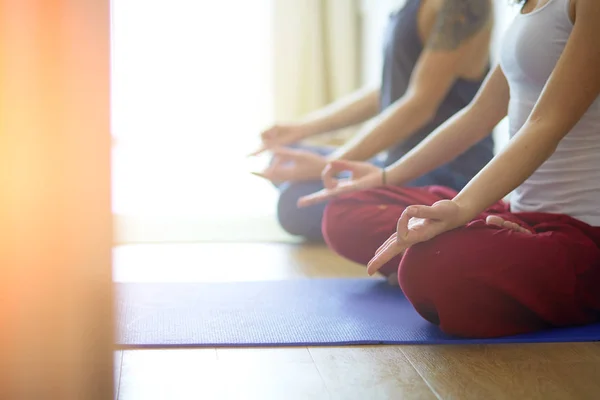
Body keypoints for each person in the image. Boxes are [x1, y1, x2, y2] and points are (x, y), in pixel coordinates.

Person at [298, 0, 600, 339]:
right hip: (514, 212)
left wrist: (462, 208)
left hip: (582, 234)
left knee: (429, 266)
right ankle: (498, 258)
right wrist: (385, 175)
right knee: (344, 210)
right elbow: (478, 114)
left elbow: (546, 122)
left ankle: (501, 260)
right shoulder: (529, 5)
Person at [251, 0, 496, 241]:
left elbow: (418, 106)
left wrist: (331, 164)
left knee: (293, 203)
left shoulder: (462, 4)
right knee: (285, 157)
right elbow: (389, 90)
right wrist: (303, 128)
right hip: (398, 162)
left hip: (446, 173)